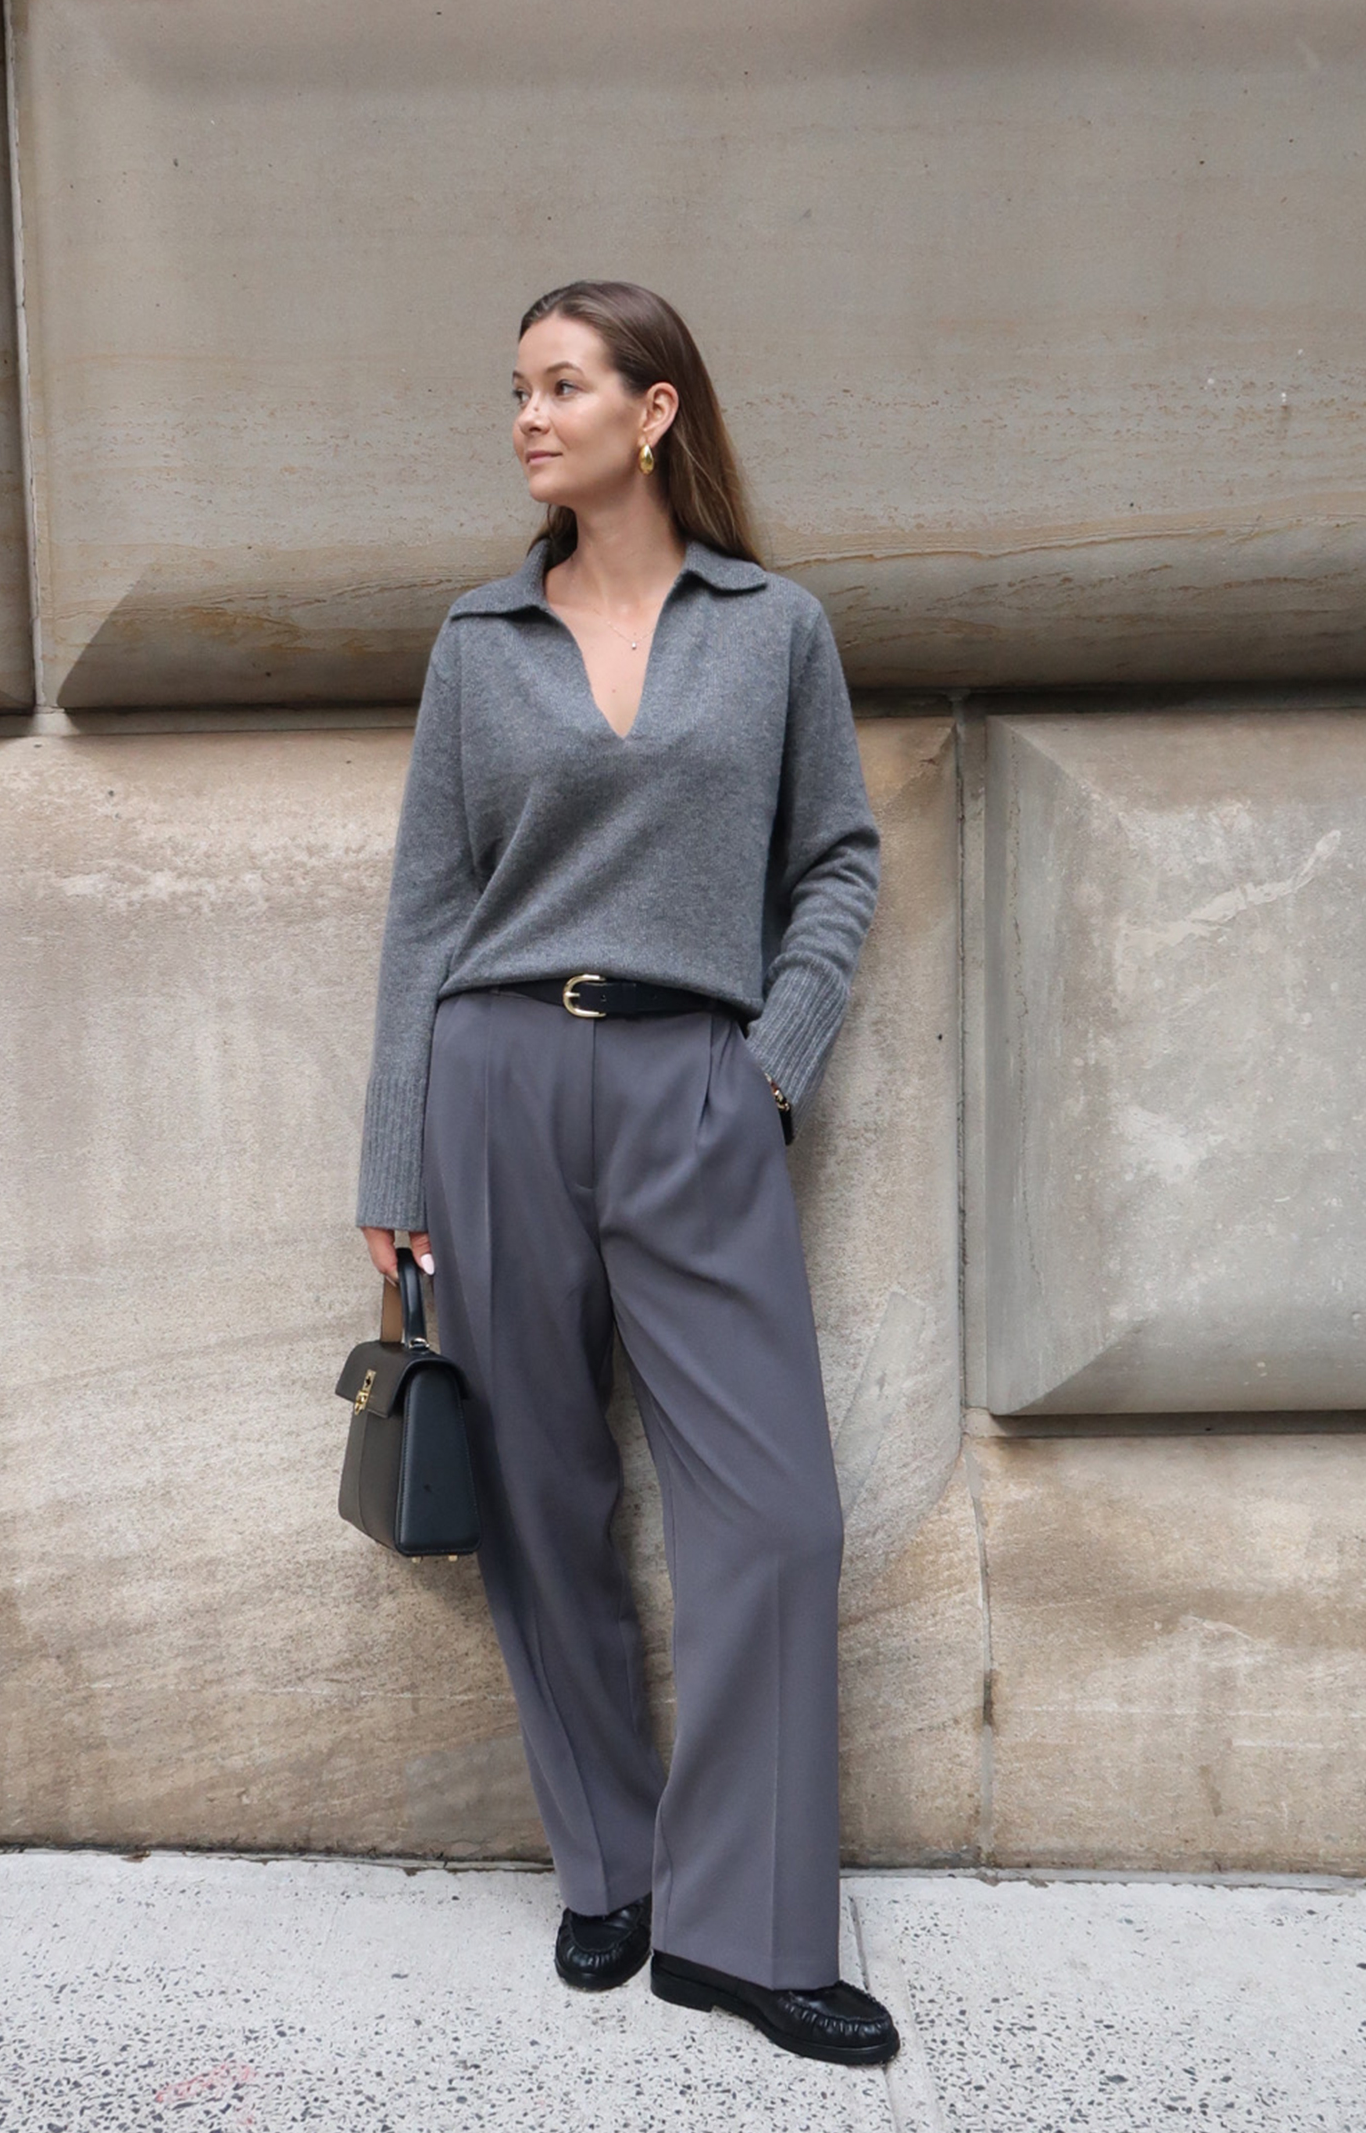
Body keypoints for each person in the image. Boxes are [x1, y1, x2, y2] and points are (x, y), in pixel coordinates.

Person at [355, 280, 892, 2068]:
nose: (527, 414)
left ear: (654, 413)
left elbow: (835, 862)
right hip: (497, 1080)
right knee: (537, 1495)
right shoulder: (477, 641)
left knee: (778, 1515)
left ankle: (741, 1931)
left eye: (563, 383)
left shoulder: (775, 629)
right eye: (516, 385)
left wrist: (771, 1071)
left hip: (694, 1083)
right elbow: (428, 913)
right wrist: (393, 1151)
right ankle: (612, 1868)